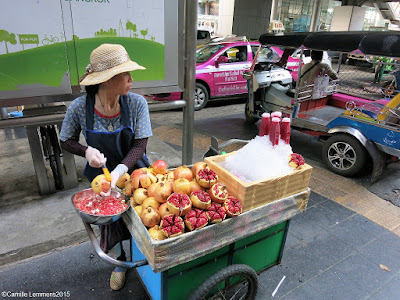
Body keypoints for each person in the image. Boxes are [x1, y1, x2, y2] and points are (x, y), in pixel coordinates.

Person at [59, 44, 152, 291]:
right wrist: (86, 151)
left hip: (135, 171)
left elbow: (141, 143)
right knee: (112, 224)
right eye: (125, 74)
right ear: (107, 80)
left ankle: (147, 258)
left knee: (143, 218)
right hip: (101, 179)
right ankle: (120, 262)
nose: (131, 79)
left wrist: (121, 170)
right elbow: (65, 139)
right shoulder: (79, 108)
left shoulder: (136, 104)